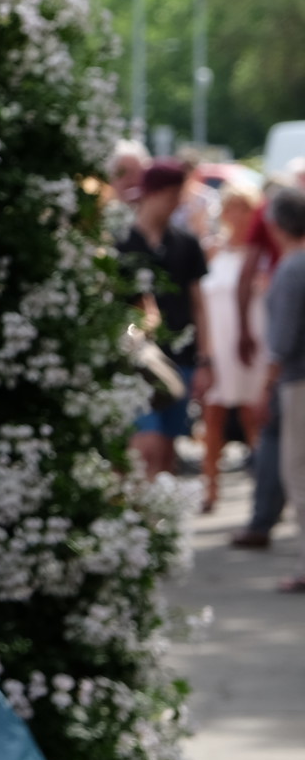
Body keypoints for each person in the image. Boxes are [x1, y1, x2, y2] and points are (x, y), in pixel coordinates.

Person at [119, 159, 210, 480]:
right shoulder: (121, 241)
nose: (176, 204)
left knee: (167, 449)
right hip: (136, 360)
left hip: (180, 356)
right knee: (147, 444)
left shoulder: (186, 242)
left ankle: (158, 507)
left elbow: (199, 304)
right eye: (172, 196)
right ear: (153, 193)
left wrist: (205, 359)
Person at [198, 183, 269, 513]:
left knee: (253, 414)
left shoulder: (261, 254)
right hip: (219, 341)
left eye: (244, 209)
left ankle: (263, 491)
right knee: (212, 415)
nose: (237, 216)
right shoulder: (213, 250)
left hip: (252, 340)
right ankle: (210, 487)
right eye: (232, 208)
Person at [260, 188, 305, 592]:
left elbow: (282, 341)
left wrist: (265, 386)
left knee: (299, 472)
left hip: (299, 382)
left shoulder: (292, 268)